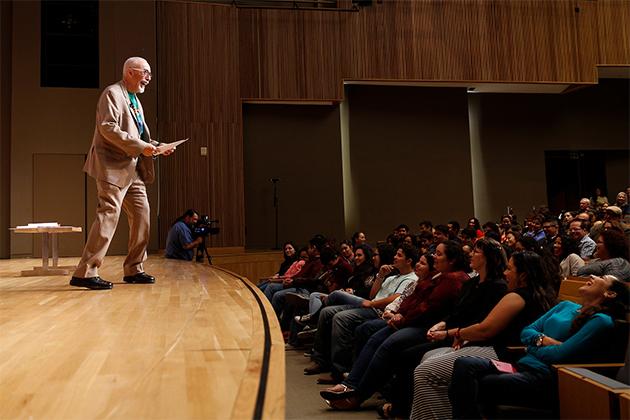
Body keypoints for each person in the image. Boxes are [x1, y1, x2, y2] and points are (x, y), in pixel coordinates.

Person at [448, 275, 629, 419]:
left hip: (543, 376)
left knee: (484, 382)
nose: (592, 275)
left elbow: (560, 355)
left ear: (610, 294)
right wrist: (541, 340)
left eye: (601, 278)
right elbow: (526, 331)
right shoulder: (565, 306)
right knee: (464, 364)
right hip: (521, 365)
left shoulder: (601, 321)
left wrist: (532, 347)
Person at [410, 251, 556, 420]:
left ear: (523, 275)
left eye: (509, 269)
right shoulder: (540, 295)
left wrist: (457, 333)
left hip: (503, 353)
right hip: (508, 351)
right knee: (429, 356)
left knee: (424, 371)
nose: (504, 273)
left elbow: (485, 330)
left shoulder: (516, 297)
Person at [70, 57, 174, 290]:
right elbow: (108, 128)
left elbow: (139, 137)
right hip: (112, 166)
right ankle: (85, 272)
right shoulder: (112, 93)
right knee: (108, 214)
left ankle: (134, 268)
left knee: (142, 214)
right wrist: (141, 147)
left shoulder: (135, 99)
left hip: (133, 168)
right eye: (145, 72)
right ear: (129, 72)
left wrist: (156, 146)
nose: (149, 77)